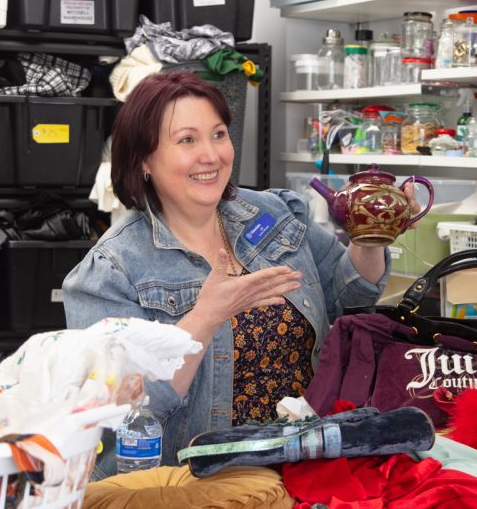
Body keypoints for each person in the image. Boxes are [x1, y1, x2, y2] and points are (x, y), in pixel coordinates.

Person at [64, 71, 404, 476]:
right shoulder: (109, 272)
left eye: (219, 134)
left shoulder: (277, 214)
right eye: (187, 140)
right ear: (144, 160)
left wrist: (370, 236)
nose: (211, 154)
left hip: (308, 464)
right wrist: (204, 319)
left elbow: (349, 297)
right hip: (201, 488)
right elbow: (121, 415)